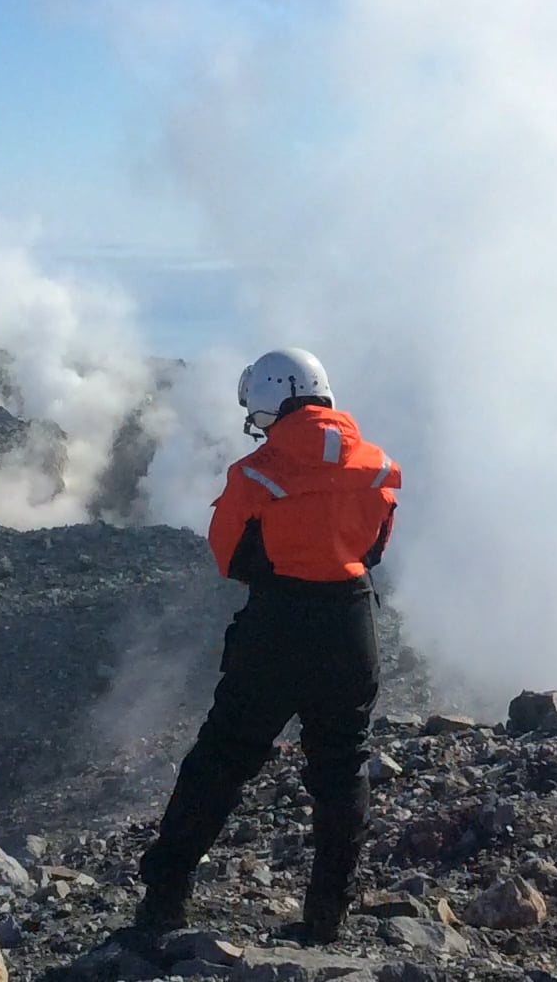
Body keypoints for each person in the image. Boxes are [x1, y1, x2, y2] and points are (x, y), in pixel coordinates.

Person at [135, 348, 402, 943]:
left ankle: (165, 899)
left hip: (277, 627)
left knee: (222, 759)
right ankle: (327, 912)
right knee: (343, 762)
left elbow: (230, 558)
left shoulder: (254, 475)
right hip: (351, 625)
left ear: (269, 401)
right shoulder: (381, 467)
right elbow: (375, 547)